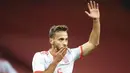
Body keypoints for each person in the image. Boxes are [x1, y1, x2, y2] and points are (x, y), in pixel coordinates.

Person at [32, 1, 100, 73]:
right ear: (51, 40)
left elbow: (93, 43)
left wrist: (96, 20)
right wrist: (55, 62)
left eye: (66, 39)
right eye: (61, 39)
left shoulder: (71, 54)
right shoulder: (40, 57)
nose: (65, 43)